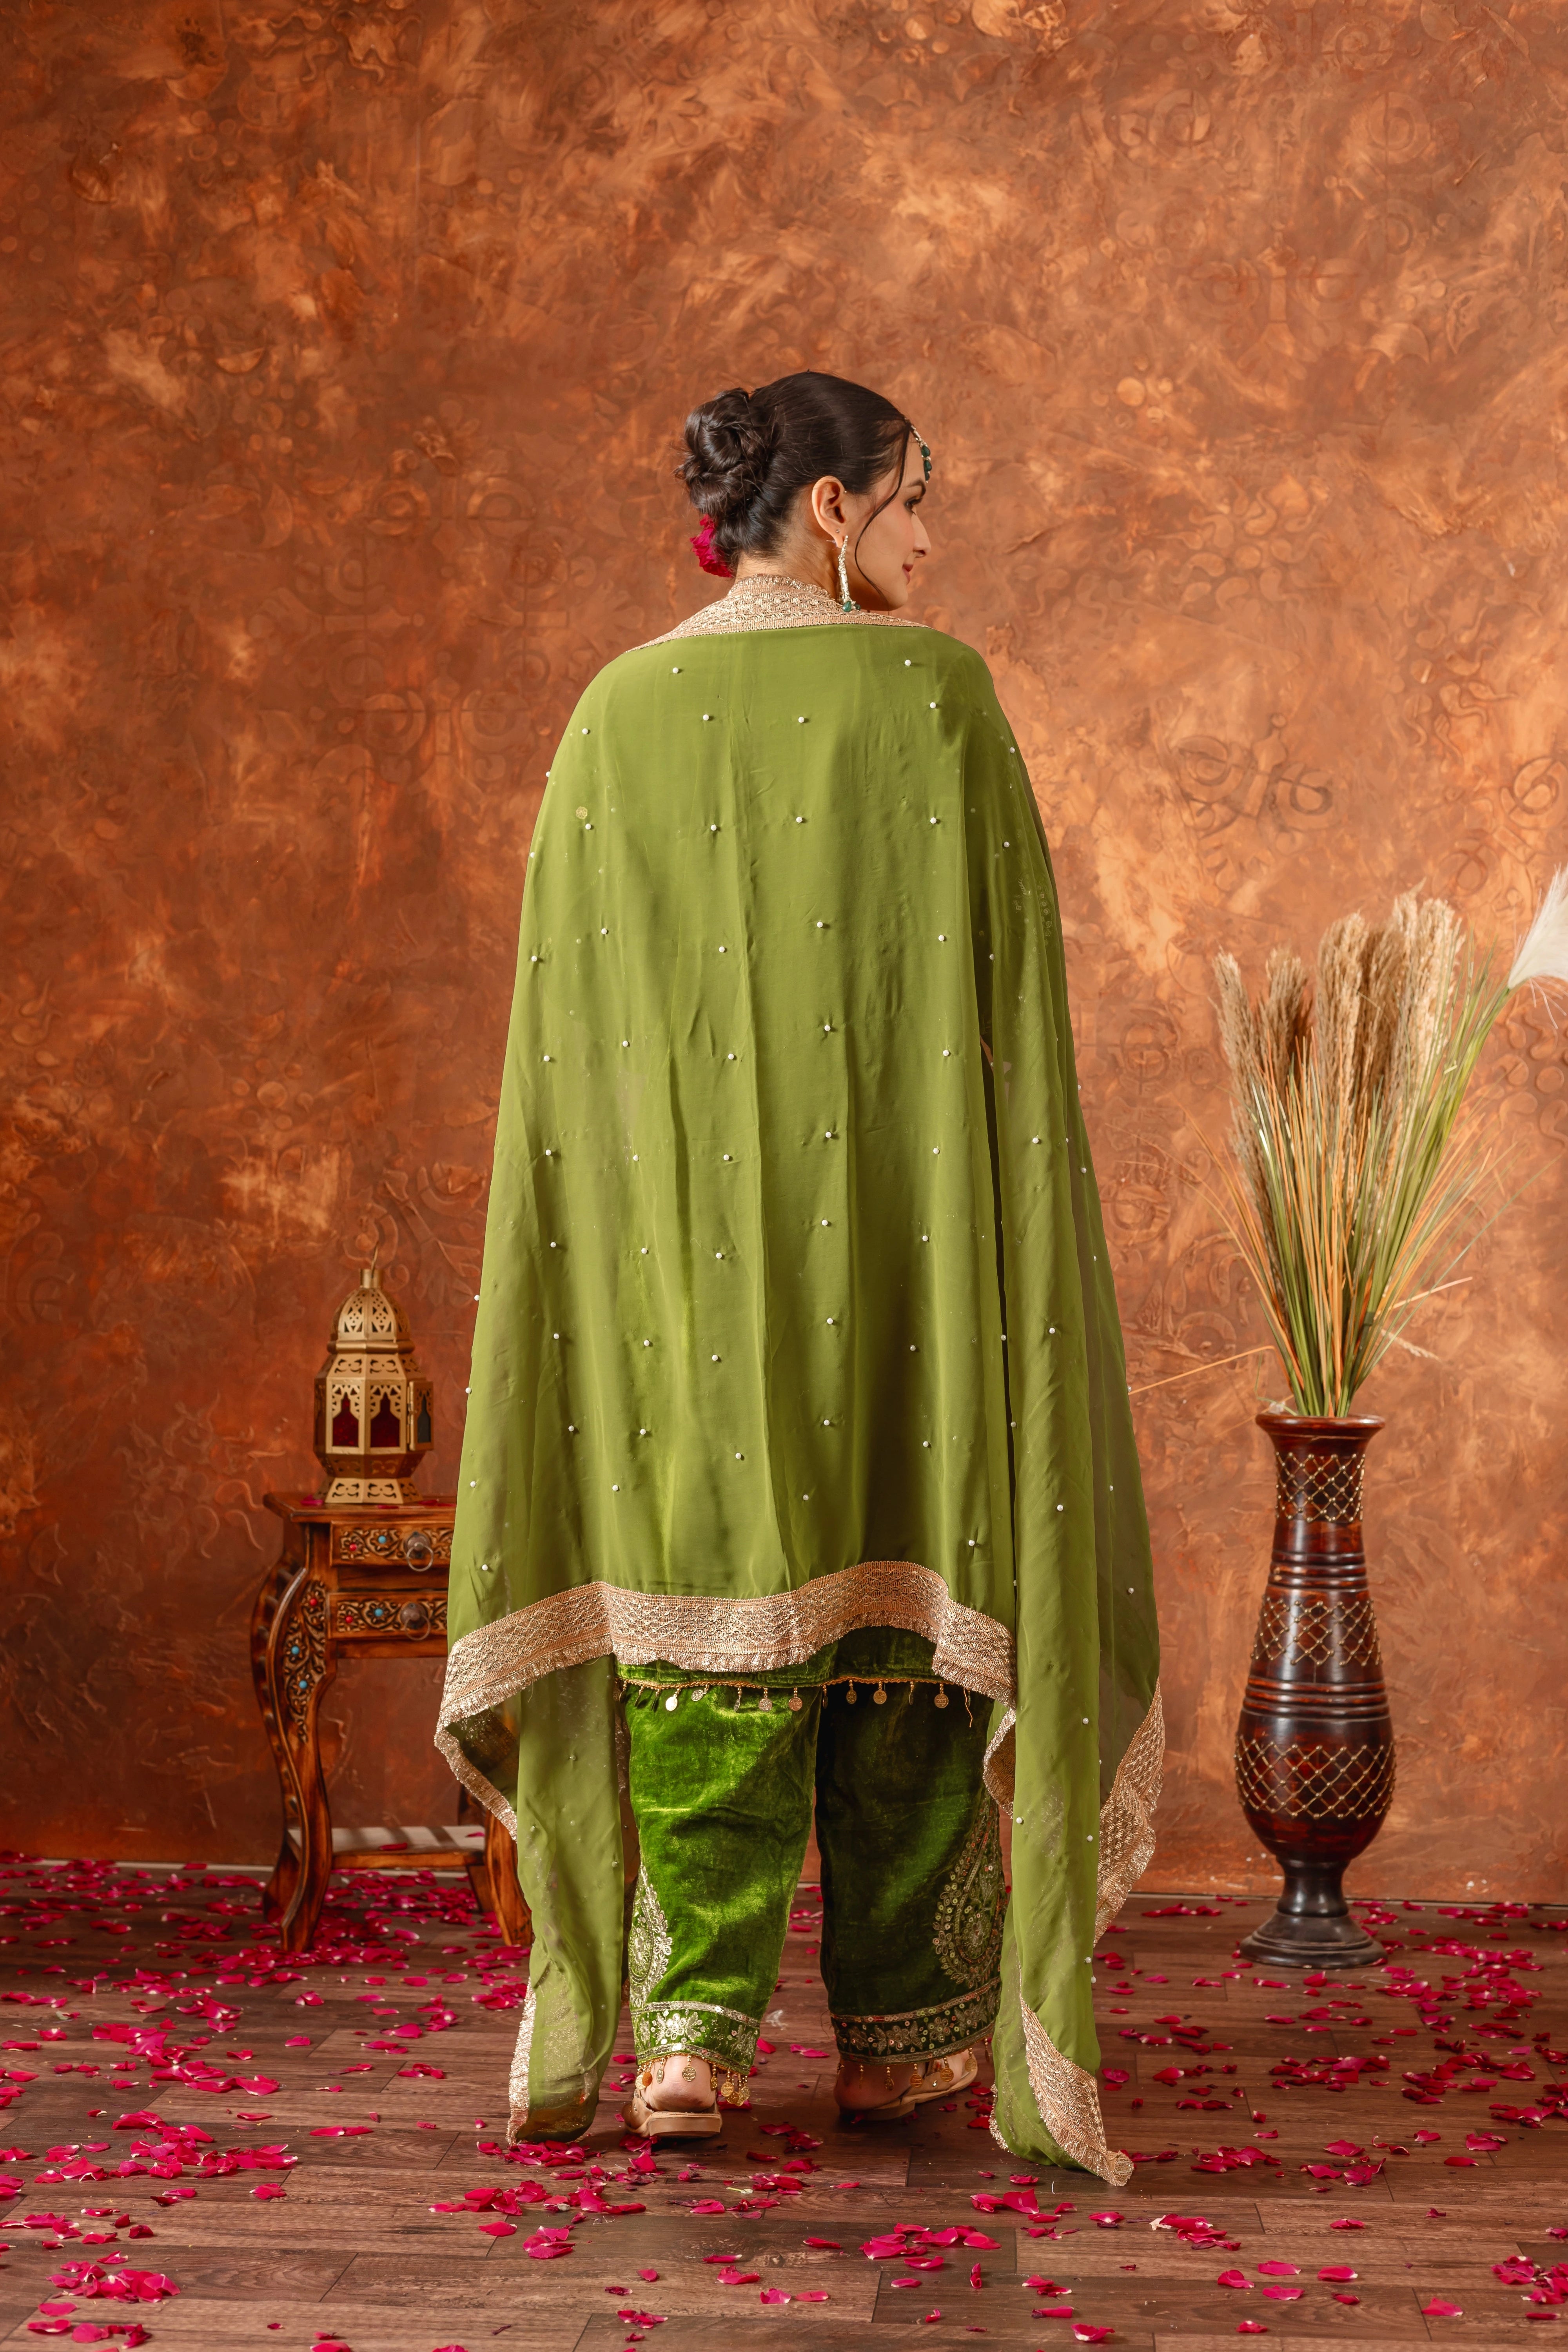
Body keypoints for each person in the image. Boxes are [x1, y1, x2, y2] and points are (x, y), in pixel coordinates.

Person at [437, 372, 1160, 2183]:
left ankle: (688, 2043)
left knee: (706, 1616)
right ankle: (901, 2048)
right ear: (830, 508)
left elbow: (570, 1064)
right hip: (906, 1254)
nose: (931, 535)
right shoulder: (937, 697)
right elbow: (1006, 1028)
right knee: (904, 1618)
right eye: (917, 496)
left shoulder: (615, 711)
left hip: (671, 1275)